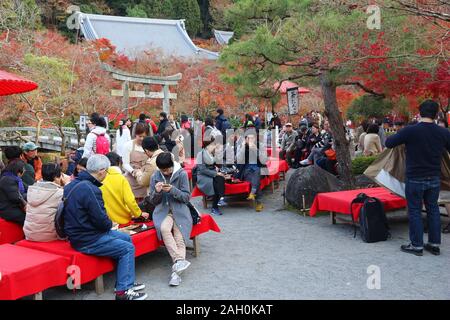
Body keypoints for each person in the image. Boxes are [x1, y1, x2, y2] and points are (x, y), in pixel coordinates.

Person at [64, 154, 147, 300]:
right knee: (127, 248)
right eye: (107, 171)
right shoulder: (91, 189)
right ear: (101, 171)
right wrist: (110, 224)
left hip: (79, 233)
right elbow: (102, 221)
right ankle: (123, 291)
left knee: (126, 238)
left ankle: (125, 281)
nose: (106, 174)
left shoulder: (72, 184)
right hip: (87, 238)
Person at [385, 100, 450, 256]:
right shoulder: (443, 132)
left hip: (414, 177)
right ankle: (434, 244)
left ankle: (417, 245)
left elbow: (388, 143)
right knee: (433, 209)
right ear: (436, 114)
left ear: (420, 112)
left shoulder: (410, 131)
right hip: (434, 176)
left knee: (414, 211)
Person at [148, 152, 192, 287]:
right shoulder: (155, 176)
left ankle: (176, 274)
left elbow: (186, 198)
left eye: (168, 169)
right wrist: (158, 191)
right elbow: (153, 201)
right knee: (164, 228)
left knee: (179, 239)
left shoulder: (182, 174)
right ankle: (179, 261)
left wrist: (173, 190)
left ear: (172, 165)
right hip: (163, 212)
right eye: (163, 170)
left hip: (180, 211)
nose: (166, 172)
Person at [100, 152, 149, 225]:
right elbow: (130, 200)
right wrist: (138, 214)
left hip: (105, 219)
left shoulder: (100, 178)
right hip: (122, 220)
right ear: (119, 163)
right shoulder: (121, 178)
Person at [23, 163, 64, 242]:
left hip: (29, 234)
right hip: (49, 236)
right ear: (56, 177)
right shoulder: (59, 193)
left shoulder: (32, 189)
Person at [236, 130, 267, 212]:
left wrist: (256, 150)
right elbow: (238, 160)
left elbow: (264, 160)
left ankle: (252, 192)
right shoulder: (242, 146)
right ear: (245, 139)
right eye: (248, 138)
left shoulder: (260, 145)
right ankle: (259, 202)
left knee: (257, 172)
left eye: (252, 138)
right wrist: (243, 147)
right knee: (255, 180)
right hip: (246, 170)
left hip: (260, 168)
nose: (251, 140)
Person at [196, 136, 227, 216]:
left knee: (221, 178)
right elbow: (202, 169)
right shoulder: (201, 154)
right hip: (203, 176)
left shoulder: (212, 153)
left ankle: (220, 199)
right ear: (208, 144)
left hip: (212, 174)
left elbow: (218, 164)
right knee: (216, 183)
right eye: (213, 143)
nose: (215, 145)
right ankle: (215, 205)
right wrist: (216, 173)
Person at [122, 123, 149, 200]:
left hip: (144, 180)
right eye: (140, 136)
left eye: (144, 136)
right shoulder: (128, 145)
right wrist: (134, 171)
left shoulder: (148, 145)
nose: (142, 138)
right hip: (131, 179)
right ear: (135, 134)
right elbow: (125, 164)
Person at [0, 160, 27, 225]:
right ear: (18, 172)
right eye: (23, 169)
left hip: (10, 206)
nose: (25, 171)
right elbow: (15, 197)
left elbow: (26, 188)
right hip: (7, 209)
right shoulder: (8, 180)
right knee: (27, 219)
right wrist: (25, 203)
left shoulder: (11, 178)